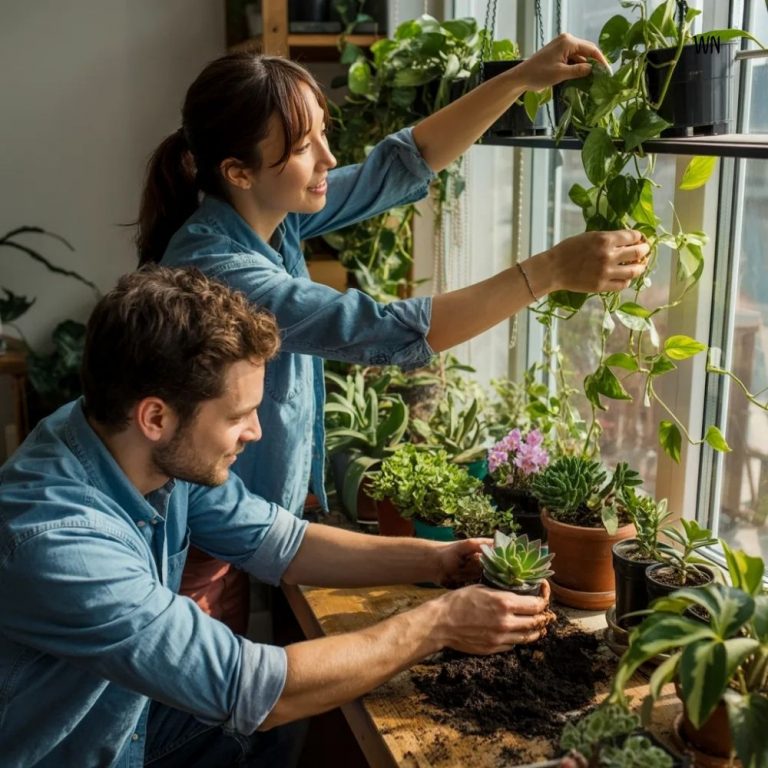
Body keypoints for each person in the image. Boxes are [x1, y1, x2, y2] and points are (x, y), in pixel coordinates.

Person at [0, 266, 553, 768]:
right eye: (238, 415)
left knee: (276, 734)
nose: (256, 432)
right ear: (155, 417)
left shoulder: (131, 443)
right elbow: (250, 688)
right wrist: (441, 622)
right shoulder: (59, 541)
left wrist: (438, 559)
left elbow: (279, 542)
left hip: (126, 718)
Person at [136, 38, 650, 523]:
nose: (328, 159)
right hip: (213, 531)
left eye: (323, 133)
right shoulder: (221, 273)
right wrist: (551, 271)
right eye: (301, 147)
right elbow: (380, 329)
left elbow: (399, 165)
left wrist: (521, 78)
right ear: (238, 171)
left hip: (254, 512)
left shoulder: (271, 211)